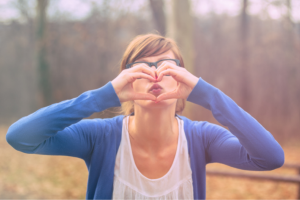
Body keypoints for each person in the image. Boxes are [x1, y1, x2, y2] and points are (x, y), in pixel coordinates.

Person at [6, 33, 284, 199]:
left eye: (167, 66)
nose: (154, 74)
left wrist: (206, 94)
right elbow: (20, 137)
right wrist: (102, 96)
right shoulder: (100, 137)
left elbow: (270, 157)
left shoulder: (202, 138)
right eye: (141, 67)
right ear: (125, 80)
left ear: (182, 81)